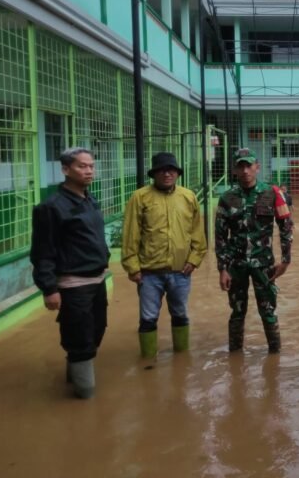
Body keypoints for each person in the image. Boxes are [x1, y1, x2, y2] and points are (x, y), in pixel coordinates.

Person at [30, 147, 109, 399]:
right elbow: (42, 252)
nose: (89, 171)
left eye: (91, 166)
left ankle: (74, 372)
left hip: (96, 280)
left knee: (97, 328)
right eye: (82, 166)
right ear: (65, 170)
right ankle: (85, 395)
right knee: (81, 337)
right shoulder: (51, 208)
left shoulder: (89, 199)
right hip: (73, 283)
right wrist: (49, 289)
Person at [122, 152, 207, 359]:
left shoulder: (188, 197)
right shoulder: (140, 197)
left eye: (171, 170)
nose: (167, 173)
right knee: (148, 318)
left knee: (180, 314)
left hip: (181, 272)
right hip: (149, 273)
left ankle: (181, 357)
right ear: (154, 174)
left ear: (177, 173)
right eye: (162, 170)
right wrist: (132, 267)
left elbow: (197, 232)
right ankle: (149, 361)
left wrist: (194, 260)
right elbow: (131, 234)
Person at [215, 148, 293, 353]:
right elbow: (220, 236)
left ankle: (275, 357)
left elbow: (286, 226)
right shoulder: (227, 198)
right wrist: (222, 269)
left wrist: (286, 260)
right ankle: (235, 357)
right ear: (234, 170)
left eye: (249, 165)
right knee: (237, 311)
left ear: (257, 167)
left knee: (268, 310)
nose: (245, 171)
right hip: (236, 264)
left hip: (264, 264)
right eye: (240, 166)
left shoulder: (273, 193)